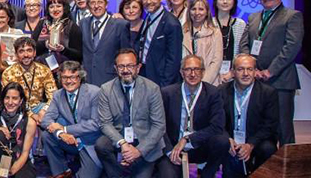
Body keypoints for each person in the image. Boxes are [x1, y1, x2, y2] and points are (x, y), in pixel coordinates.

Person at [239, 0, 303, 144]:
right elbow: (244, 44)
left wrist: (270, 71)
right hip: (257, 81)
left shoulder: (292, 16)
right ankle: (265, 168)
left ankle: (287, 169)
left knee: (283, 129)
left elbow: (291, 47)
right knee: (262, 129)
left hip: (280, 81)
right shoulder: (253, 17)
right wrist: (251, 69)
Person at [95, 49, 165, 178]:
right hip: (120, 137)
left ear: (138, 67)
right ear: (115, 68)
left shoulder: (152, 88)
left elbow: (159, 125)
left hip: (144, 140)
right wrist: (123, 144)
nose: (125, 70)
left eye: (130, 66)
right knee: (101, 144)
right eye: (121, 66)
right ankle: (118, 172)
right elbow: (105, 123)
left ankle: (132, 162)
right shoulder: (106, 89)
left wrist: (138, 151)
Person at [157, 55, 229, 178]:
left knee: (222, 141)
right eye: (188, 69)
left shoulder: (213, 93)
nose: (192, 74)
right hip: (175, 148)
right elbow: (159, 125)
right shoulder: (167, 93)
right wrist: (169, 151)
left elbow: (217, 126)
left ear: (203, 72)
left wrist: (188, 139)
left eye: (197, 69)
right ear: (181, 72)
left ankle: (208, 173)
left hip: (199, 145)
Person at [40, 61, 103, 178]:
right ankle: (61, 172)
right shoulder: (58, 95)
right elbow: (45, 120)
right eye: (64, 77)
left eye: (72, 77)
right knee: (47, 136)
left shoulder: (94, 92)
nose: (68, 81)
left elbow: (95, 124)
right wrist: (60, 133)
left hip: (88, 143)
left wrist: (64, 129)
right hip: (69, 141)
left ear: (80, 77)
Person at [220, 54, 280, 177]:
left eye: (250, 69)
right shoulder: (221, 91)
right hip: (231, 141)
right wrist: (227, 138)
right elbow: (217, 121)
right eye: (241, 69)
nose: (245, 73)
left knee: (268, 148)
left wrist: (250, 144)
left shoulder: (268, 93)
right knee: (219, 142)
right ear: (233, 72)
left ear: (255, 72)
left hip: (256, 140)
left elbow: (270, 126)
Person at [0, 83, 36, 178]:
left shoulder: (30, 122)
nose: (10, 102)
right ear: (2, 99)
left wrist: (11, 171)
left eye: (15, 98)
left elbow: (25, 153)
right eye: (7, 98)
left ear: (21, 101)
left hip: (18, 159)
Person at [136, 0, 183, 87]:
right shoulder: (148, 18)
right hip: (144, 75)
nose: (149, 2)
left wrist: (165, 85)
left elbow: (174, 59)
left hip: (161, 81)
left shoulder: (171, 23)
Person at [82, 0, 132, 86]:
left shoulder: (120, 25)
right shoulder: (83, 23)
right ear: (88, 6)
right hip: (87, 79)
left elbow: (125, 54)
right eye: (92, 3)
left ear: (106, 4)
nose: (96, 6)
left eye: (100, 2)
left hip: (111, 80)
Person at [1, 37, 56, 124]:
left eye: (29, 50)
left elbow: (53, 96)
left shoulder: (44, 70)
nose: (26, 55)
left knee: (57, 117)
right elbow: (9, 101)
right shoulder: (8, 73)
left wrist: (43, 111)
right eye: (21, 51)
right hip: (16, 108)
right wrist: (32, 115)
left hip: (39, 107)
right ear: (16, 54)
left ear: (34, 53)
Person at [182, 0, 224, 85]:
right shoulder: (182, 32)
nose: (197, 13)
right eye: (193, 9)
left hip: (210, 83)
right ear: (189, 11)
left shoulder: (215, 32)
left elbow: (216, 61)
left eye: (201, 9)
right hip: (187, 82)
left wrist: (203, 83)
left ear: (207, 12)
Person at [212, 0, 247, 82]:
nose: (225, 2)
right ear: (215, 2)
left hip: (234, 75)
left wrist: (232, 73)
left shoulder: (240, 24)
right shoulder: (208, 24)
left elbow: (242, 51)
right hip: (211, 75)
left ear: (234, 2)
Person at [36, 0, 82, 64]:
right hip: (41, 68)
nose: (55, 10)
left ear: (64, 8)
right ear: (48, 9)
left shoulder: (72, 26)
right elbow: (32, 46)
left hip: (65, 70)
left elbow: (78, 55)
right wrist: (45, 45)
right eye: (51, 7)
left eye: (58, 6)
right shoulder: (42, 23)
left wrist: (63, 49)